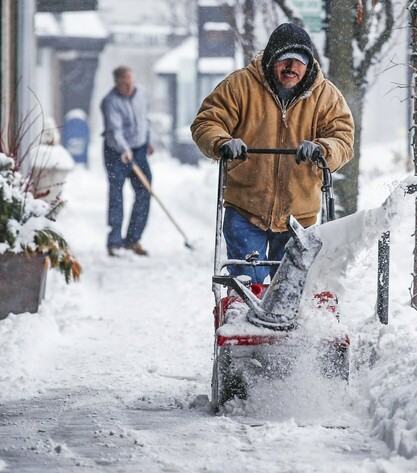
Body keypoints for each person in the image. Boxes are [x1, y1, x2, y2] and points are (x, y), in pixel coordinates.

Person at [191, 22, 354, 284]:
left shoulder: (326, 97)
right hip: (245, 207)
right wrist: (222, 142)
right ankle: (247, 321)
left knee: (289, 288)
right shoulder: (240, 85)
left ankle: (283, 325)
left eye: (299, 61)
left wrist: (322, 149)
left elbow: (342, 139)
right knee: (250, 284)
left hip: (298, 213)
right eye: (284, 59)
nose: (291, 67)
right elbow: (207, 122)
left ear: (309, 63)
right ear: (271, 59)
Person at [100, 66, 154, 257]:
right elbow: (115, 130)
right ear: (117, 83)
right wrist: (124, 149)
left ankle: (133, 239)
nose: (129, 87)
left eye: (131, 82)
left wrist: (148, 142)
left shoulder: (141, 94)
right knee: (116, 195)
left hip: (139, 150)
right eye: (125, 84)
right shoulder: (110, 101)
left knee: (144, 191)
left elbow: (145, 120)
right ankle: (114, 241)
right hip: (116, 152)